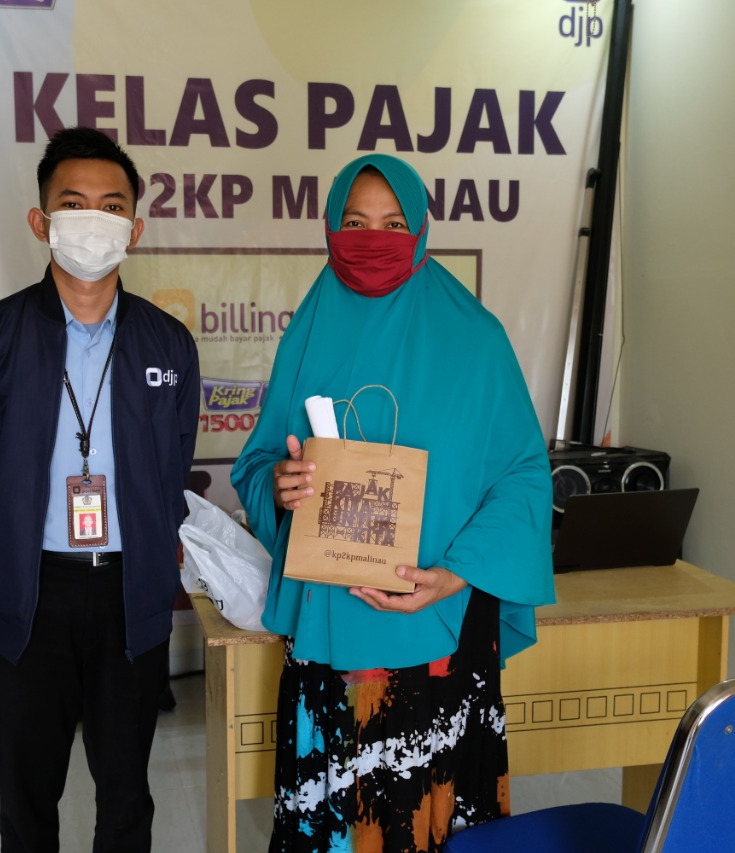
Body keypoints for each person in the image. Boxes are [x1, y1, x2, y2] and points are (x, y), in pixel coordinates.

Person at [230, 153, 555, 853]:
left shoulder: (475, 338)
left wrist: (455, 574)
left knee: (433, 824)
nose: (372, 239)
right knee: (336, 829)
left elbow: (524, 475)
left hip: (441, 629)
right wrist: (281, 485)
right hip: (331, 642)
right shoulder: (309, 332)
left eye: (392, 224)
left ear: (421, 231)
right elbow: (258, 465)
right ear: (329, 228)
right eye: (354, 223)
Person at [0, 126, 200, 852]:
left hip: (130, 592)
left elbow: (172, 466)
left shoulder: (168, 344)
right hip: (30, 591)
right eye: (73, 204)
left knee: (127, 794)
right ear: (40, 221)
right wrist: (1, 535)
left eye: (112, 207)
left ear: (135, 229)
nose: (93, 221)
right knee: (26, 797)